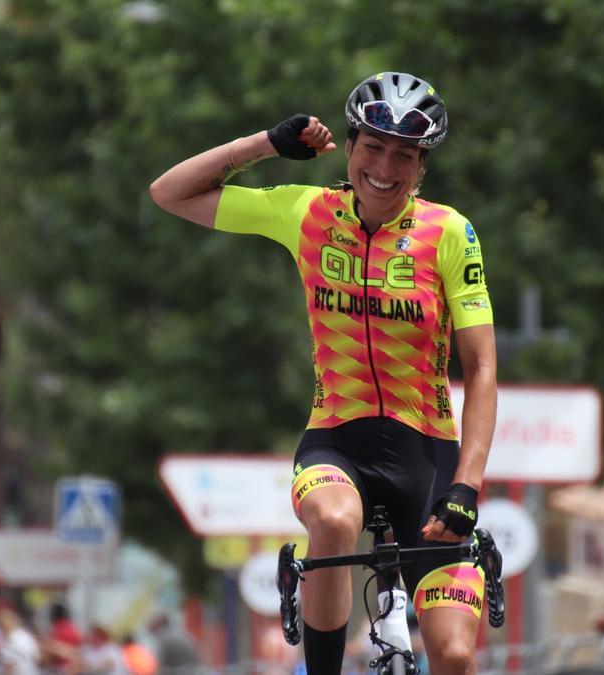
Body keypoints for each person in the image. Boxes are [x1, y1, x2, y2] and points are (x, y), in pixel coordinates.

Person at [149, 71, 497, 675]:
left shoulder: (449, 232)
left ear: (421, 168)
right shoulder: (306, 212)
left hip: (430, 459)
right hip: (338, 444)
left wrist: (465, 487)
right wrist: (265, 144)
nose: (385, 167)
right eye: (374, 147)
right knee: (334, 522)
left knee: (457, 657)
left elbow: (483, 365)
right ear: (351, 144)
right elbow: (169, 192)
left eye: (405, 155)